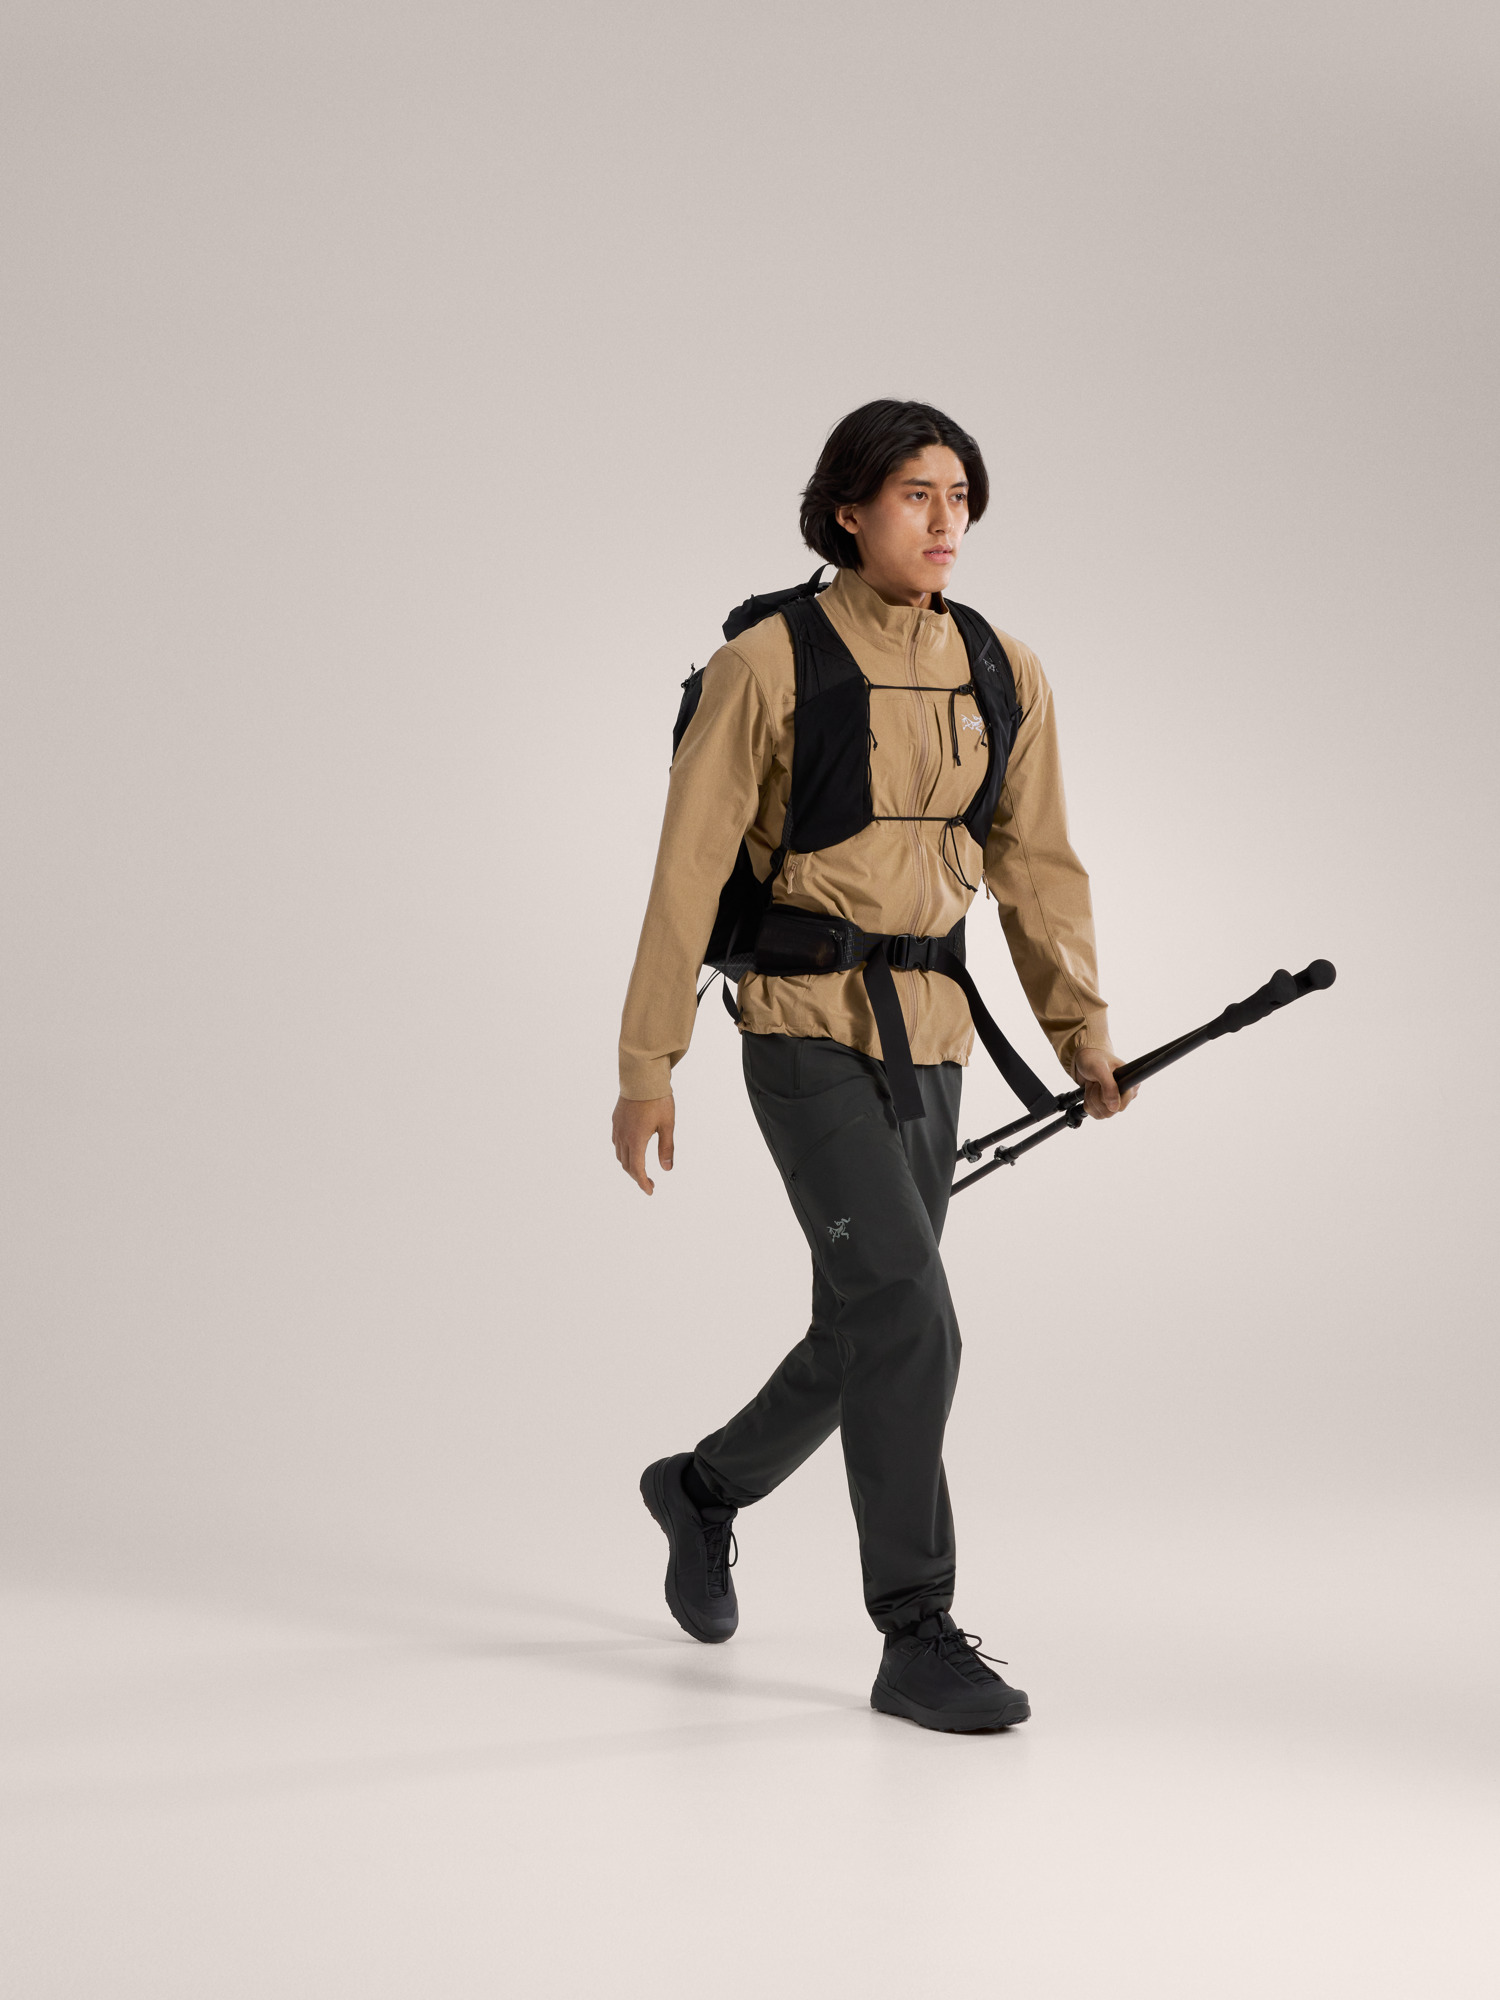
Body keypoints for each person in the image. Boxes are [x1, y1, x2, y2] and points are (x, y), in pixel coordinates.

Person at [612, 399, 1134, 1733]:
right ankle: (915, 1630)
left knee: (866, 1324)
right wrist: (648, 1061)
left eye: (961, 495)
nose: (947, 519)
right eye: (917, 494)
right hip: (803, 1027)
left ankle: (702, 1490)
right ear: (848, 511)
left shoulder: (1003, 668)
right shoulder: (766, 665)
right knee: (912, 1315)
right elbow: (685, 871)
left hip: (935, 1035)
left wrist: (1080, 1033)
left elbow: (1037, 866)